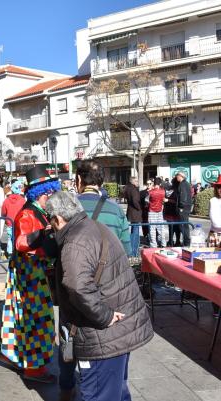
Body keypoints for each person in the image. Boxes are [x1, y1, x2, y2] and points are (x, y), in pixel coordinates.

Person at [46, 191, 153, 401]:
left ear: (57, 219)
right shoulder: (93, 227)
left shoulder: (76, 242)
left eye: (51, 222)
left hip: (103, 337)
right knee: (117, 391)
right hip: (119, 331)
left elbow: (78, 287)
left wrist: (105, 316)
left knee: (98, 394)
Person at [59, 160, 131, 400]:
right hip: (111, 290)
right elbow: (128, 250)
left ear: (78, 181)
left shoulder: (69, 208)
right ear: (101, 181)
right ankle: (117, 385)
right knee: (110, 344)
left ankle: (67, 386)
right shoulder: (116, 210)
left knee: (69, 336)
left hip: (74, 288)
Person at [0, 165, 60, 383]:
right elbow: (21, 242)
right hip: (31, 276)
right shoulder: (27, 213)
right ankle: (34, 370)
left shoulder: (40, 211)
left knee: (24, 320)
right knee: (36, 321)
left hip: (35, 274)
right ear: (40, 194)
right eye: (49, 193)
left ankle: (14, 356)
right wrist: (46, 233)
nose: (52, 196)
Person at [75, 160, 130, 253]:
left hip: (77, 265)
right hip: (109, 266)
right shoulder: (116, 210)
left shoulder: (67, 207)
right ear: (101, 181)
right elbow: (126, 250)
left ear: (79, 179)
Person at [1, 180, 26, 255]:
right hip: (19, 223)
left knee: (10, 238)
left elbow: (3, 212)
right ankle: (17, 251)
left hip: (10, 223)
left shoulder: (6, 200)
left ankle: (10, 252)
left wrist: (5, 218)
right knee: (18, 237)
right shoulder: (23, 200)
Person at [123, 176, 142, 254]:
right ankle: (134, 251)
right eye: (136, 181)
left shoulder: (127, 188)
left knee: (133, 230)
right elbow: (135, 200)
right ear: (133, 182)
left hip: (130, 211)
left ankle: (132, 249)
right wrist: (139, 208)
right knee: (135, 231)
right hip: (135, 212)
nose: (138, 182)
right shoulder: (133, 189)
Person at [148, 177, 167, 248]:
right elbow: (163, 200)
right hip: (160, 211)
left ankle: (153, 244)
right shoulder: (163, 191)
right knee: (161, 228)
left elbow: (146, 201)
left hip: (152, 211)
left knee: (152, 229)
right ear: (160, 183)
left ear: (153, 183)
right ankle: (163, 243)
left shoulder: (150, 192)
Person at [175, 172, 192, 247]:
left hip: (183, 208)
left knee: (183, 226)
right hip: (187, 207)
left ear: (180, 176)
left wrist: (181, 207)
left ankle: (186, 242)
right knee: (185, 225)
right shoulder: (187, 184)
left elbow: (183, 196)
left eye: (177, 176)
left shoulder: (183, 184)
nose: (176, 177)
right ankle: (186, 242)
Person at [164, 177, 181, 246]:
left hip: (170, 211)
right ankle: (176, 241)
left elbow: (175, 200)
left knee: (171, 227)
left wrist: (168, 200)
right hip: (175, 211)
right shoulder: (178, 190)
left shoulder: (170, 190)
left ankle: (171, 241)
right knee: (176, 227)